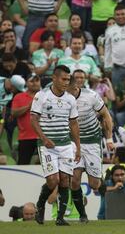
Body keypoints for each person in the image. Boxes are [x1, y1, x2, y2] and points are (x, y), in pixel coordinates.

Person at [30, 65, 80, 226]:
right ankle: (40, 205)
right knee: (53, 181)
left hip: (65, 145)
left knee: (65, 181)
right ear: (54, 78)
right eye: (63, 79)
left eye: (68, 79)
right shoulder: (41, 96)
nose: (66, 82)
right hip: (47, 145)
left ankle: (60, 218)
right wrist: (44, 138)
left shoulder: (70, 99)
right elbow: (33, 119)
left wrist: (78, 147)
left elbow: (73, 124)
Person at [66, 69, 115, 223]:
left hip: (92, 142)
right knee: (74, 180)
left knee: (94, 184)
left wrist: (109, 138)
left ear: (75, 87)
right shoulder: (62, 98)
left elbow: (106, 115)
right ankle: (83, 215)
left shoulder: (91, 96)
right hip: (74, 143)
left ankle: (100, 180)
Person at [11, 74, 41, 164]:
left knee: (47, 164)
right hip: (26, 137)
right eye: (31, 81)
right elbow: (14, 113)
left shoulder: (47, 96)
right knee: (23, 163)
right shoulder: (19, 97)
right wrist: (29, 105)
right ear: (26, 83)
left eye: (37, 81)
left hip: (44, 137)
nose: (34, 83)